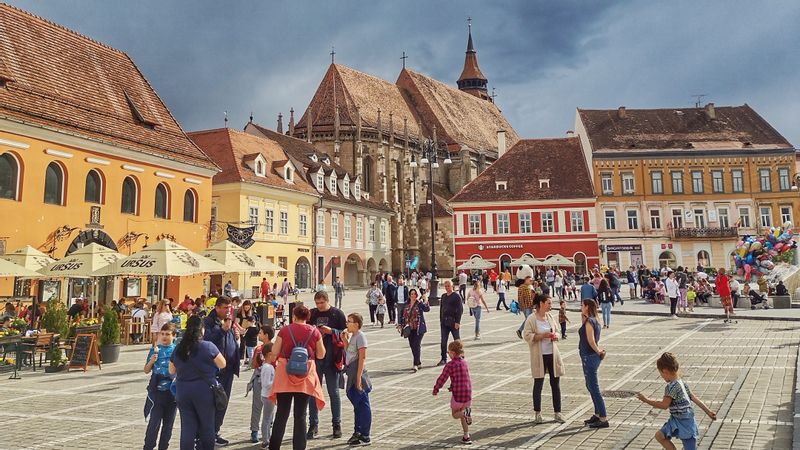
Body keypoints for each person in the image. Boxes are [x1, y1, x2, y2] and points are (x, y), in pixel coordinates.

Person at [267, 305, 326, 450]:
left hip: (285, 375)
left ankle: (274, 446)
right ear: (308, 317)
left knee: (282, 414)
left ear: (294, 315)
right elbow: (321, 354)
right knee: (300, 415)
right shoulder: (314, 331)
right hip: (304, 376)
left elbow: (274, 351)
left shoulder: (285, 330)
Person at [636, 352, 717, 450]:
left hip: (686, 423)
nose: (661, 376)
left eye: (661, 374)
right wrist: (708, 411)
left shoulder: (671, 387)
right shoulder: (681, 382)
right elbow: (694, 398)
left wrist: (646, 400)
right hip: (676, 420)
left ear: (665, 371)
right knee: (660, 435)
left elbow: (664, 405)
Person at [169, 316, 226, 450]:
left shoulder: (178, 348)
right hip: (204, 391)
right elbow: (222, 364)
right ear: (202, 329)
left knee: (187, 428)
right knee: (207, 426)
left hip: (183, 391)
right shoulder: (208, 346)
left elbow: (171, 369)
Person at [307, 290, 346, 440]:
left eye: (322, 303)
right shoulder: (313, 314)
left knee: (333, 393)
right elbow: (306, 331)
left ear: (328, 300)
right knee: (313, 393)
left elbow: (345, 332)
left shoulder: (337, 314)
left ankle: (337, 425)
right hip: (315, 359)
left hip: (332, 359)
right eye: (317, 303)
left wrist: (332, 331)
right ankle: (313, 424)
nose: (319, 306)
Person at [203, 296, 240, 446]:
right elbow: (207, 341)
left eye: (229, 307)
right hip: (215, 370)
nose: (228, 311)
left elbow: (228, 341)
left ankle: (215, 431)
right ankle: (208, 433)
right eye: (225, 308)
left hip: (229, 368)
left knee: (223, 402)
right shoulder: (208, 322)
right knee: (214, 402)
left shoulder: (228, 321)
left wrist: (235, 336)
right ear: (217, 307)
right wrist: (223, 331)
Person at [523, 295, 565, 424]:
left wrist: (555, 336)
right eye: (548, 303)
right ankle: (538, 413)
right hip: (539, 355)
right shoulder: (531, 318)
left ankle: (557, 412)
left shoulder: (550, 317)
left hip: (552, 354)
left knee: (555, 384)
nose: (550, 305)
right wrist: (541, 336)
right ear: (541, 303)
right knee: (538, 384)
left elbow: (558, 331)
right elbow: (527, 335)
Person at [143, 323, 177, 450]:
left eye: (167, 334)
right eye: (162, 334)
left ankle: (164, 447)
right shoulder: (154, 350)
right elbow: (146, 370)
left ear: (174, 336)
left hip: (172, 392)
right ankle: (148, 447)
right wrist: (152, 361)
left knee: (168, 425)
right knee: (154, 423)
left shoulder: (176, 351)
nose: (164, 337)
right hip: (157, 392)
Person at [432, 340, 473, 445]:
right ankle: (466, 436)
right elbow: (463, 378)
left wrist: (436, 388)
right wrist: (452, 386)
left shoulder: (450, 365)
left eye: (448, 352)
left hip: (458, 395)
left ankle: (465, 414)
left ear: (453, 353)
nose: (448, 354)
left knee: (455, 414)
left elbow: (442, 378)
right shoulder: (464, 362)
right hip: (468, 394)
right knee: (463, 416)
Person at [341, 313, 373, 446]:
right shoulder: (353, 336)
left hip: (358, 374)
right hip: (352, 372)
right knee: (357, 405)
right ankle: (358, 431)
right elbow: (350, 352)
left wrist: (359, 379)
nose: (347, 324)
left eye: (349, 321)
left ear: (357, 324)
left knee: (362, 404)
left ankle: (364, 434)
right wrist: (345, 341)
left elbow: (362, 358)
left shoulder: (360, 337)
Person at [579, 299, 608, 428]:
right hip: (589, 356)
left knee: (594, 388)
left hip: (590, 356)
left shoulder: (590, 322)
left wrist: (599, 352)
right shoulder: (593, 320)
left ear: (587, 307)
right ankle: (597, 414)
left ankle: (603, 418)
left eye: (582, 305)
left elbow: (591, 341)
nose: (581, 307)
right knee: (590, 386)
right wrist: (583, 315)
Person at [249, 325, 275, 444]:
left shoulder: (274, 348)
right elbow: (253, 365)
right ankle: (254, 430)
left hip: (271, 382)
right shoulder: (258, 348)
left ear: (266, 335)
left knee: (270, 409)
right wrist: (257, 355)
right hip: (258, 379)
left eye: (260, 333)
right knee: (257, 406)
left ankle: (268, 431)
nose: (258, 335)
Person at [397, 288, 430, 372]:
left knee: (416, 344)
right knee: (412, 345)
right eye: (412, 294)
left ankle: (415, 364)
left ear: (416, 295)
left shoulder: (419, 304)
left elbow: (427, 309)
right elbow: (401, 315)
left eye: (415, 294)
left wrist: (426, 300)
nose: (413, 295)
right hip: (409, 328)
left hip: (418, 328)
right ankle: (418, 362)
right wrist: (400, 325)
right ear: (409, 295)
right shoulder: (406, 304)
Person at [438, 280, 463, 366]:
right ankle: (443, 358)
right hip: (444, 323)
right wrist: (441, 320)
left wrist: (457, 322)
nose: (447, 288)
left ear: (452, 286)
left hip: (453, 322)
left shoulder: (456, 296)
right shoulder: (443, 296)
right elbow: (441, 309)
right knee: (443, 341)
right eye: (445, 286)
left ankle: (460, 356)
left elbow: (460, 310)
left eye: (448, 286)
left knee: (457, 340)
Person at [258, 343, 276, 449]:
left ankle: (267, 437)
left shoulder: (268, 366)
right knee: (267, 419)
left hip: (268, 395)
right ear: (269, 354)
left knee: (269, 418)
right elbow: (265, 384)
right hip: (267, 396)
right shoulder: (267, 367)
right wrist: (276, 380)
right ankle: (265, 440)